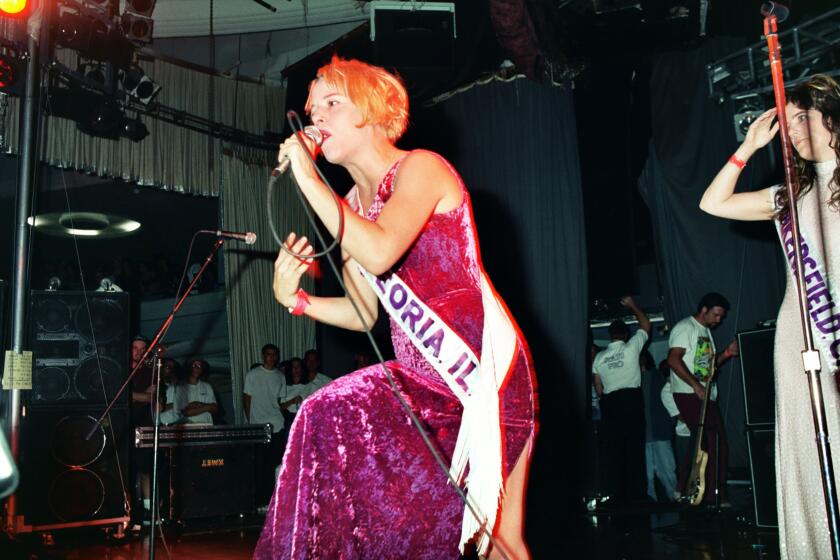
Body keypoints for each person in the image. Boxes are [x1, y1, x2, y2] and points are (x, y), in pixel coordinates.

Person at [257, 56, 537, 559]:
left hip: (480, 375)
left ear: (371, 109)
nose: (314, 117)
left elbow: (383, 250)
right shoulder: (349, 205)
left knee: (500, 540)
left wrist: (308, 178)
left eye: (331, 103)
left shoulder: (421, 168)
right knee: (328, 420)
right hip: (423, 387)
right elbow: (366, 314)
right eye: (309, 107)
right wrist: (296, 301)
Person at [699, 74, 840, 559]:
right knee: (808, 453)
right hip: (798, 338)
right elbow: (712, 203)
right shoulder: (788, 199)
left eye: (803, 116)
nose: (794, 130)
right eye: (788, 121)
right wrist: (748, 146)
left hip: (835, 333)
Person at [666, 293, 738, 505]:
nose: (718, 320)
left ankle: (684, 488)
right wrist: (695, 385)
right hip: (690, 394)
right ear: (704, 310)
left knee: (701, 443)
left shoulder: (705, 331)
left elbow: (707, 365)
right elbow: (672, 359)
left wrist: (726, 354)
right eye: (716, 315)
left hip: (704, 393)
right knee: (714, 443)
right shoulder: (685, 328)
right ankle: (713, 495)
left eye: (721, 317)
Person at [591, 296, 651, 504]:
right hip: (630, 400)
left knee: (613, 448)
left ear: (609, 336)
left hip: (610, 404)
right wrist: (634, 305)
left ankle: (617, 495)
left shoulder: (598, 358)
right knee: (634, 447)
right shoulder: (632, 347)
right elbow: (645, 325)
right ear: (625, 335)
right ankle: (638, 495)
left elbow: (598, 389)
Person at [243, 344, 287, 508]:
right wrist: (250, 421)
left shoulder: (280, 376)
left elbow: (279, 401)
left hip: (277, 423)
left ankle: (272, 502)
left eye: (274, 354)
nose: (272, 357)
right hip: (259, 426)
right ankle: (260, 501)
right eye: (269, 354)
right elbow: (246, 397)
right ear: (263, 356)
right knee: (259, 465)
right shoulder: (252, 374)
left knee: (274, 464)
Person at [640, 351, 677, 502]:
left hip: (660, 432)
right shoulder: (635, 379)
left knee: (667, 470)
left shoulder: (658, 376)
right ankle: (652, 501)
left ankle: (675, 498)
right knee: (647, 473)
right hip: (646, 434)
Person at [162, 359, 217, 425]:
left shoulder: (207, 386)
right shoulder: (181, 386)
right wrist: (208, 407)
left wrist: (197, 404)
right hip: (188, 427)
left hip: (207, 425)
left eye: (199, 366)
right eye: (194, 365)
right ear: (189, 368)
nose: (197, 368)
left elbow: (214, 408)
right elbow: (186, 412)